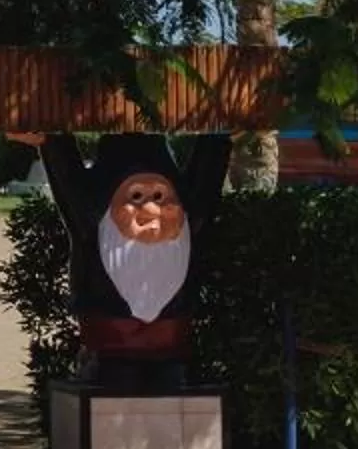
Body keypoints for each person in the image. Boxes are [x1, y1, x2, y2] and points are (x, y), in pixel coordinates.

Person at [35, 131, 232, 389]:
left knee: (172, 403)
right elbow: (68, 179)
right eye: (137, 197)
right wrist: (50, 141)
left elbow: (206, 183)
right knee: (115, 394)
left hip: (172, 341)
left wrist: (219, 138)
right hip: (109, 342)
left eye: (159, 198)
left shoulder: (189, 215)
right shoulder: (90, 215)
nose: (150, 212)